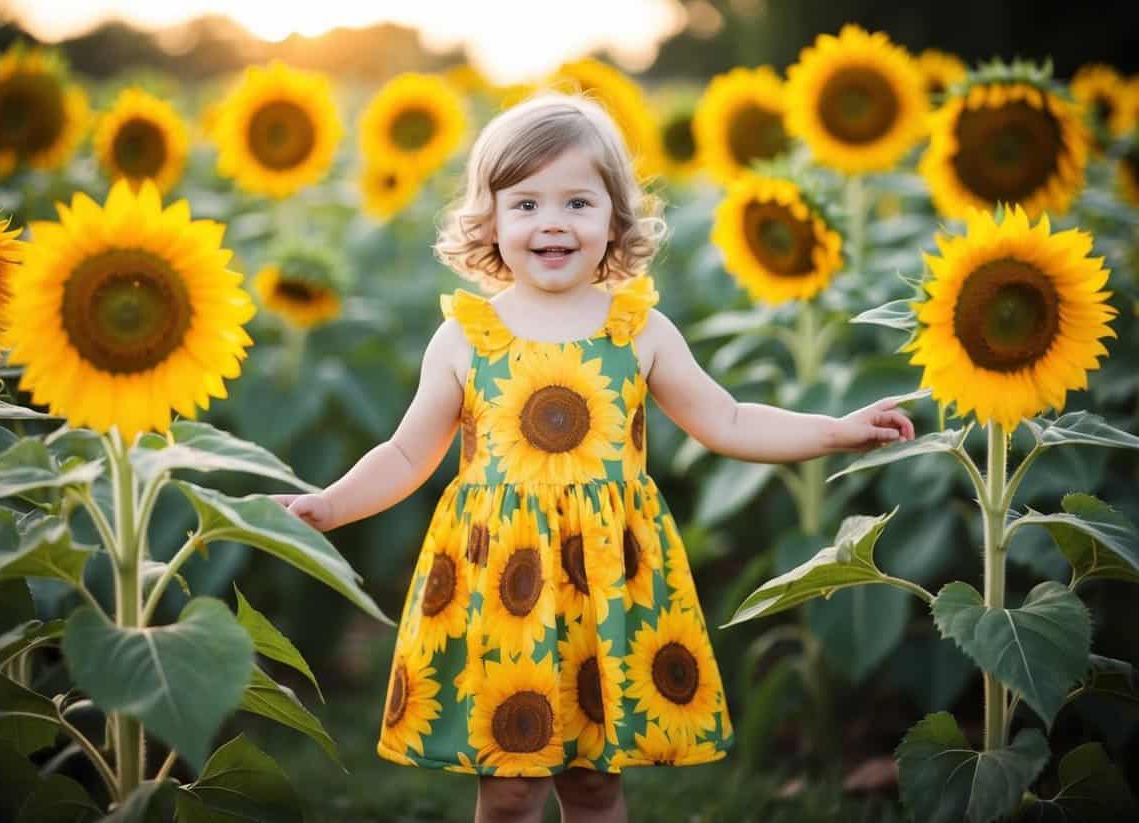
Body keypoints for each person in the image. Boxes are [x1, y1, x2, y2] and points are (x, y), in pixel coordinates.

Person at [272, 92, 914, 823]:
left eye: (578, 202)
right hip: (501, 579)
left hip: (605, 578)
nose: (552, 222)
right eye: (526, 204)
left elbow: (727, 418)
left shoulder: (638, 328)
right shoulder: (467, 337)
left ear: (616, 218)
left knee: (594, 780)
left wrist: (833, 429)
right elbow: (406, 452)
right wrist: (329, 503)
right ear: (490, 220)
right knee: (510, 784)